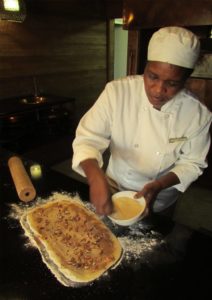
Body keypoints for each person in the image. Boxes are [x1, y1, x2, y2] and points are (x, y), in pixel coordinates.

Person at [72, 26, 212, 260]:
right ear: (145, 68)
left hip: (161, 198)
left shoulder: (198, 114)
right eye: (153, 76)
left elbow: (193, 163)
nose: (158, 90)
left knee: (148, 253)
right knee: (101, 246)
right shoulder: (117, 92)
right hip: (113, 187)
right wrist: (96, 178)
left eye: (172, 83)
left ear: (186, 80)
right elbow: (88, 137)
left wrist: (158, 186)